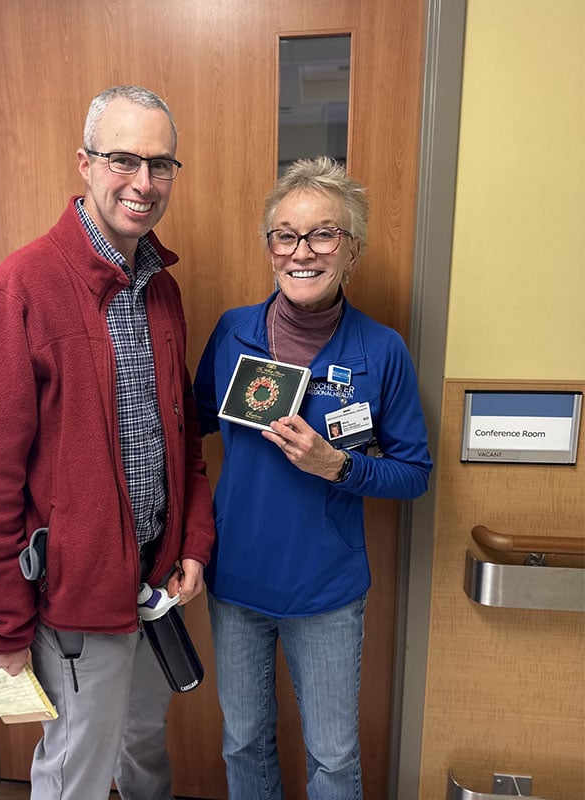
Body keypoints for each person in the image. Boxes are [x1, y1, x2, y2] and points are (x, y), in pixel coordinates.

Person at [0, 85, 216, 800]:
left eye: (161, 164)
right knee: (77, 777)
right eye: (123, 159)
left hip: (155, 589)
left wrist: (193, 542)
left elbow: (183, 437)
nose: (143, 183)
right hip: (74, 603)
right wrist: (4, 622)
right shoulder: (22, 287)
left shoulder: (160, 288)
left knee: (144, 754)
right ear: (85, 163)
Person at [194, 157, 432, 800]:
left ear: (352, 249)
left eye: (324, 234)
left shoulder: (381, 350)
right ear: (271, 247)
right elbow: (187, 435)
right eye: (286, 235)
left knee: (333, 757)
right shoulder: (233, 332)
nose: (302, 252)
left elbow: (413, 474)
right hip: (235, 581)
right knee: (243, 741)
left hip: (327, 591)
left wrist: (339, 465)